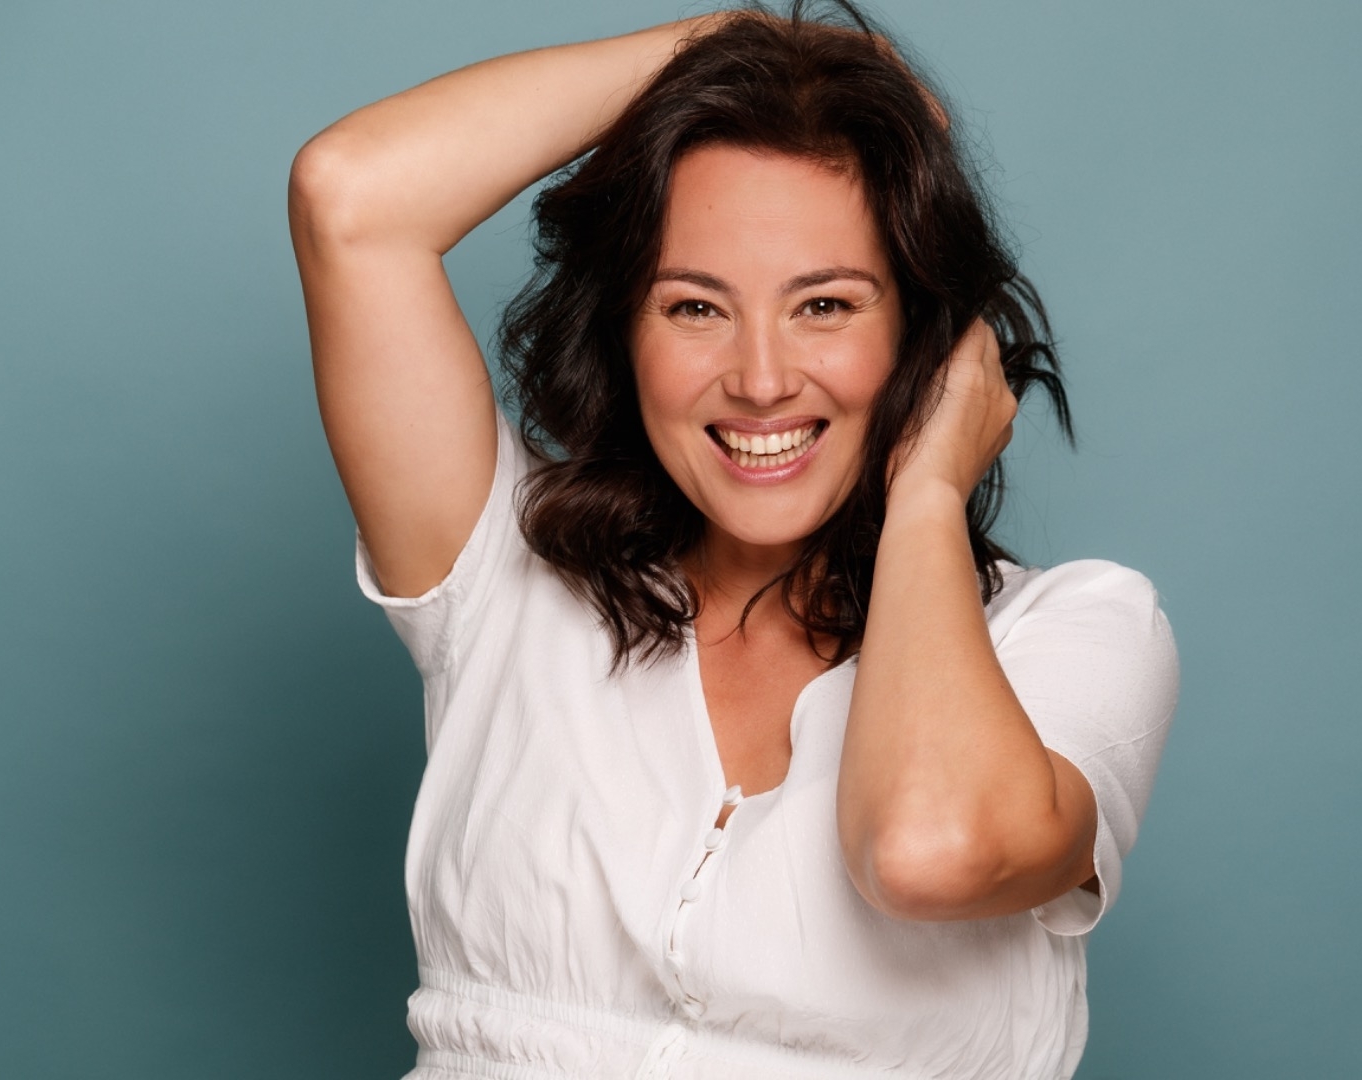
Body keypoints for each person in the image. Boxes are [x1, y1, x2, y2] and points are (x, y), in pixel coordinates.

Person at [288, 3, 1177, 1076]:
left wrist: (927, 492)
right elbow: (351, 196)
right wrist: (742, 40)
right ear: (622, 333)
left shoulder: (1074, 635)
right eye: (694, 308)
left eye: (825, 306)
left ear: (928, 339)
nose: (760, 380)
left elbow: (930, 851)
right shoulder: (506, 575)